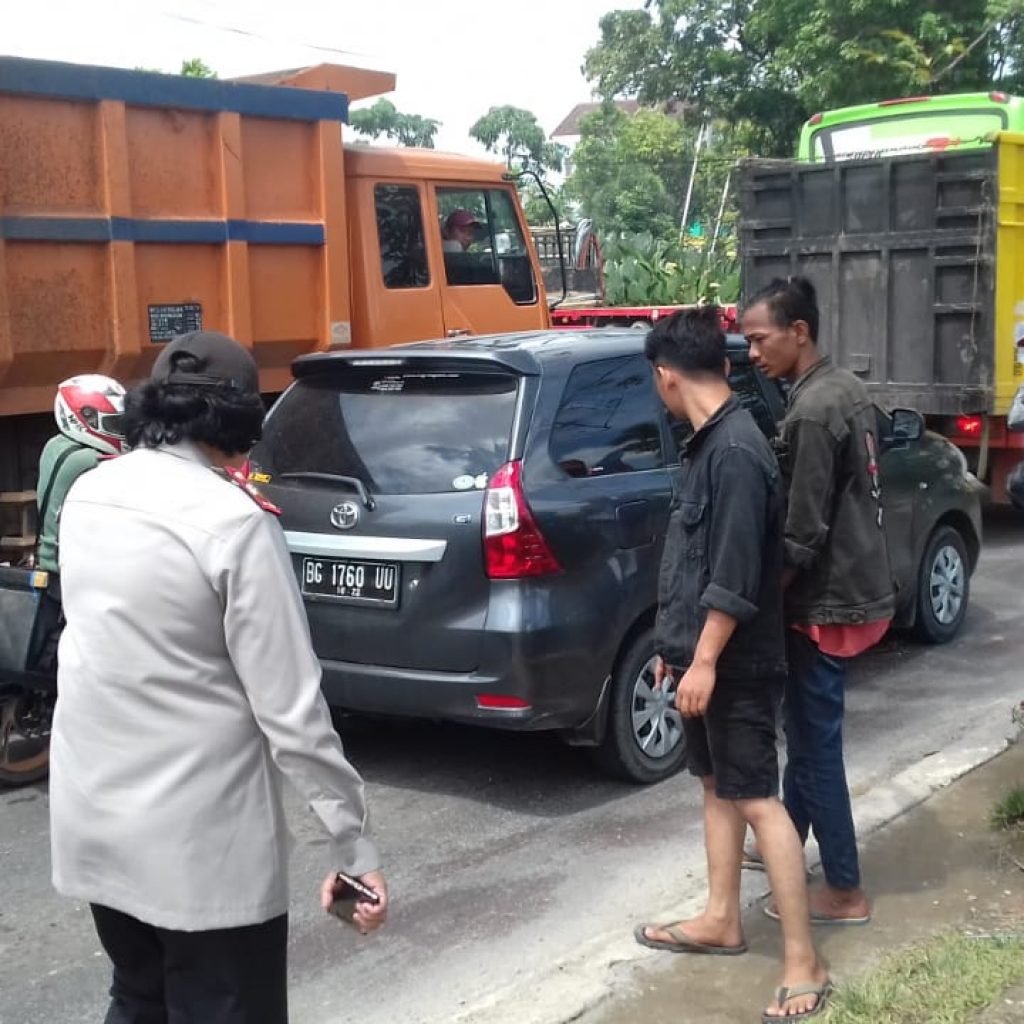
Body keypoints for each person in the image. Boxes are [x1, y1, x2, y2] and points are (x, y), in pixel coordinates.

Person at [49, 331, 387, 1024]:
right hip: (202, 854)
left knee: (138, 999)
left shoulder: (90, 494)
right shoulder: (231, 524)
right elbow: (291, 715)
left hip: (96, 827)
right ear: (238, 424)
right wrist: (352, 845)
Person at [635, 308, 831, 1023]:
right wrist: (674, 653)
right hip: (702, 660)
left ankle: (804, 960)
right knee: (716, 784)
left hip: (738, 665)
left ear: (666, 377)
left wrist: (707, 660)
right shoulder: (709, 443)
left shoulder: (738, 452)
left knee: (756, 797)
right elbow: (691, 566)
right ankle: (722, 917)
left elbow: (737, 572)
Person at [740, 277, 894, 927]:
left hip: (826, 603)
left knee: (813, 748)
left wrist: (750, 606)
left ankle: (845, 889)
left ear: (798, 332)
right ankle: (784, 837)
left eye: (758, 339)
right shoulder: (847, 389)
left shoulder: (808, 413)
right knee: (806, 735)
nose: (751, 353)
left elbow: (801, 537)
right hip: (860, 587)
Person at [36, 374, 126, 575]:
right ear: (85, 418)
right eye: (113, 424)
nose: (121, 432)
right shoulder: (86, 460)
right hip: (71, 569)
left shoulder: (56, 445)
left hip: (56, 563)